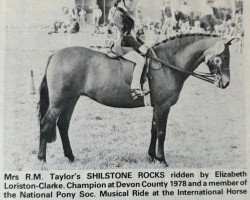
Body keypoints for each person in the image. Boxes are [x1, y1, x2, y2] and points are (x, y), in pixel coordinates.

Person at [111, 0, 150, 100]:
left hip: (127, 44)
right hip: (121, 46)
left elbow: (132, 33)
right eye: (130, 0)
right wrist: (139, 47)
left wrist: (143, 44)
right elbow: (126, 35)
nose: (132, 2)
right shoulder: (118, 14)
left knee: (146, 56)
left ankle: (143, 84)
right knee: (140, 60)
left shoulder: (123, 13)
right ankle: (135, 88)